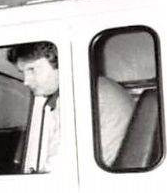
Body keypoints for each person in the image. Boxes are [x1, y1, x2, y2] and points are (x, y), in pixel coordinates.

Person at [10, 40, 135, 172]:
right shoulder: (97, 85)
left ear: (61, 63)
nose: (26, 81)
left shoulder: (77, 94)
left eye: (32, 70)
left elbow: (59, 166)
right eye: (22, 72)